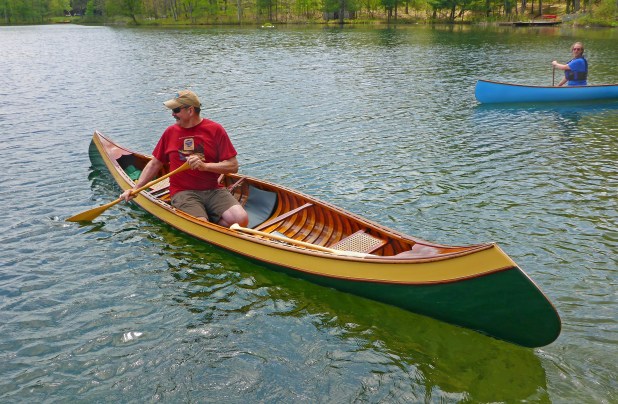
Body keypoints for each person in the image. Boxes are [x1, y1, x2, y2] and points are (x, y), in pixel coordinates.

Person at [120, 90, 249, 228]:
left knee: (241, 219)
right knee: (201, 225)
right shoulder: (170, 133)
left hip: (213, 189)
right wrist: (136, 188)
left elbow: (233, 166)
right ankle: (209, 223)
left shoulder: (215, 130)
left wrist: (205, 166)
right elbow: (155, 163)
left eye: (176, 110)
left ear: (190, 110)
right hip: (183, 192)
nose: (173, 114)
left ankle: (212, 223)